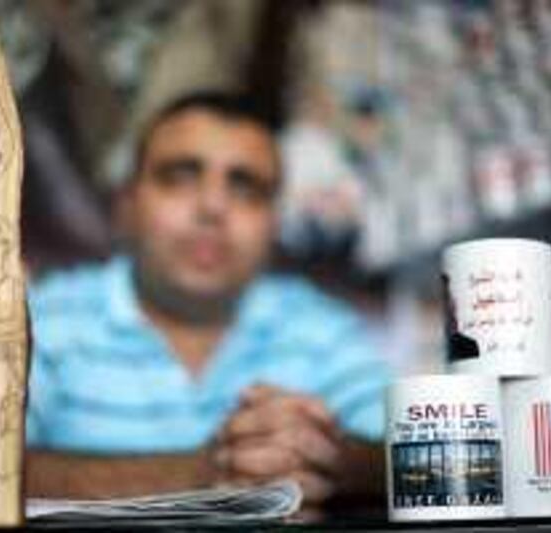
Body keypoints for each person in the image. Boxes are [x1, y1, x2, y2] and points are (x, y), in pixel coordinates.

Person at [24, 91, 391, 511]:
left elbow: (414, 457)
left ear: (274, 222)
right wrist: (201, 475)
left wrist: (330, 459)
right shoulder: (43, 321)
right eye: (180, 176)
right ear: (126, 206)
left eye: (245, 186)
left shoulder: (320, 329)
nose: (213, 207)